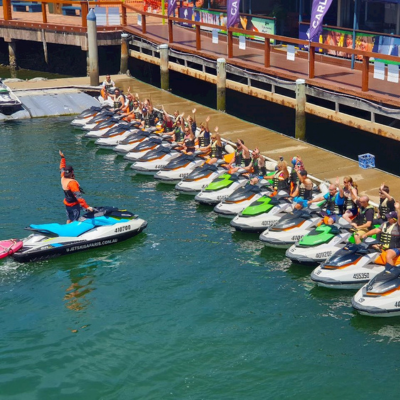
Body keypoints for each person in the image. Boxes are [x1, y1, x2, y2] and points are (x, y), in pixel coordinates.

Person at [59, 150, 93, 224]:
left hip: (67, 204)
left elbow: (61, 167)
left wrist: (62, 158)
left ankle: (66, 230)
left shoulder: (62, 177)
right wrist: (87, 207)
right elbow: (79, 198)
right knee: (75, 221)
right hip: (74, 205)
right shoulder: (72, 183)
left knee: (69, 219)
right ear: (72, 172)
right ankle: (72, 233)